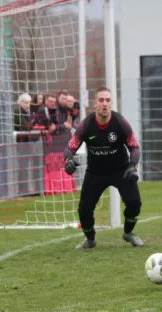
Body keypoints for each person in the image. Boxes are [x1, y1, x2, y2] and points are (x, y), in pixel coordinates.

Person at [63, 85, 143, 249]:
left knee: (135, 204)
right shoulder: (86, 125)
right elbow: (70, 147)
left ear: (111, 103)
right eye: (101, 100)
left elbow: (134, 147)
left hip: (120, 170)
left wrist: (132, 165)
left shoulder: (121, 123)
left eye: (107, 100)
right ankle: (90, 240)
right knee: (84, 210)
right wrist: (68, 161)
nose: (104, 104)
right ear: (95, 104)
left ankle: (128, 233)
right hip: (96, 173)